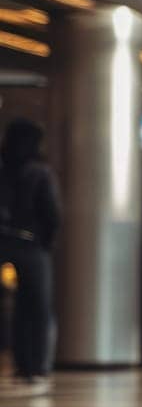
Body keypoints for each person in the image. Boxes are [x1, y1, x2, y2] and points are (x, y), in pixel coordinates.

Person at [0, 118, 61, 392]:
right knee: (36, 308)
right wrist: (45, 242)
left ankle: (19, 363)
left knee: (9, 308)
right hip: (31, 244)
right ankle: (35, 367)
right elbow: (52, 214)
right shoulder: (40, 171)